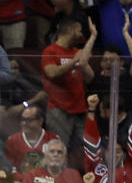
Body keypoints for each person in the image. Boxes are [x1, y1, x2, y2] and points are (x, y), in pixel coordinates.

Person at [41, 17, 96, 154]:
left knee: (88, 150)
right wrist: (73, 61)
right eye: (79, 29)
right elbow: (52, 73)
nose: (82, 33)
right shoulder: (50, 51)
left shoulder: (76, 51)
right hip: (59, 109)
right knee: (57, 150)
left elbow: (90, 78)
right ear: (71, 30)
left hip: (80, 109)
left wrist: (93, 37)